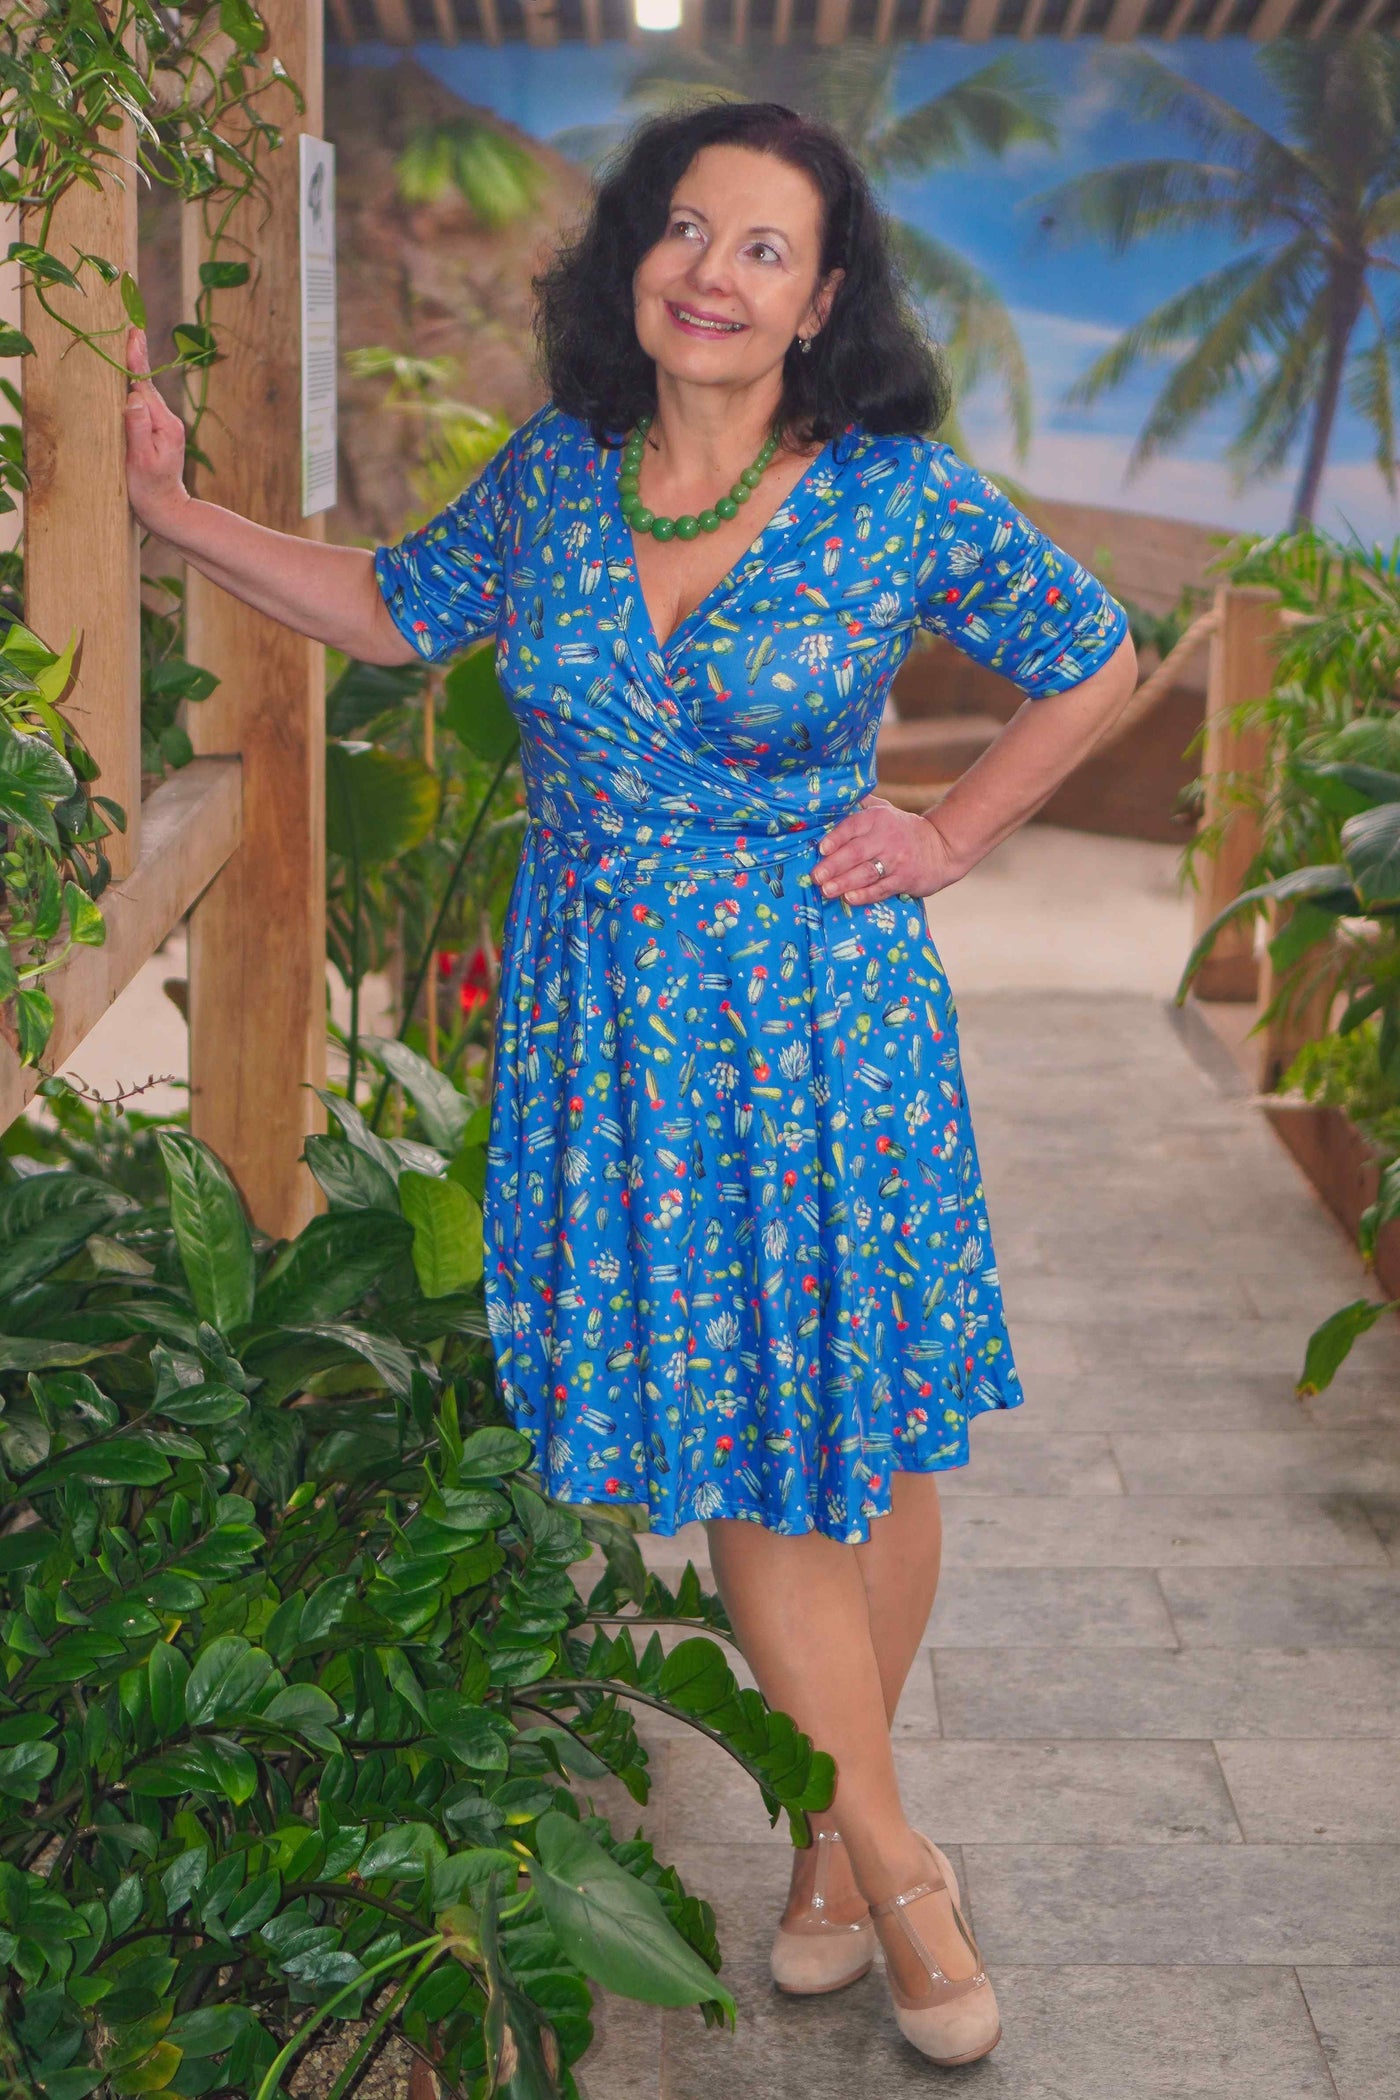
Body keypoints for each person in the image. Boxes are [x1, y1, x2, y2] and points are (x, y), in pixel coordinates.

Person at [124, 98, 1136, 2068]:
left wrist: (956, 829)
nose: (710, 270)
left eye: (762, 246)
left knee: (865, 1439)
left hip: (830, 1026)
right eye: (685, 229)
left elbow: (1092, 655)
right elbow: (385, 605)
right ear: (633, 264)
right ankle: (879, 1856)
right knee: (766, 1461)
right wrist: (169, 516)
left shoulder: (896, 493)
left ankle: (865, 1866)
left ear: (824, 298)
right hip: (622, 1039)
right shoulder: (560, 482)